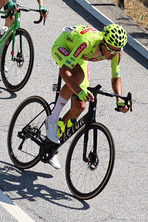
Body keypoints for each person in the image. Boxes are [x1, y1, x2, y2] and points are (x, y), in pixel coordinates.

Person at [45, 23, 131, 151]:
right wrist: (79, 91)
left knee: (80, 106)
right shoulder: (87, 42)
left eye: (117, 51)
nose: (113, 54)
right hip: (64, 47)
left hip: (79, 57)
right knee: (78, 76)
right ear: (103, 43)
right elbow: (64, 71)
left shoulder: (116, 50)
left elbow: (116, 77)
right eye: (111, 50)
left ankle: (50, 145)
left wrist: (119, 100)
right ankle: (52, 119)